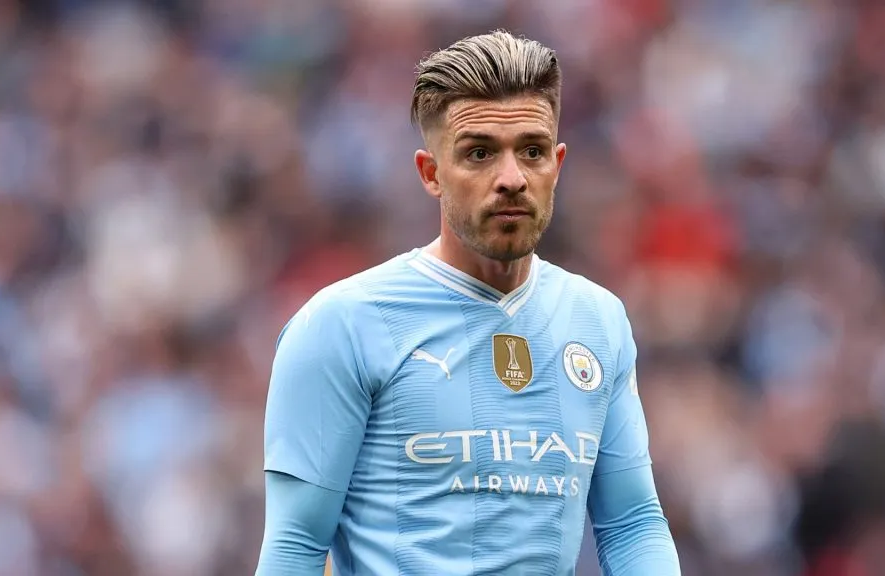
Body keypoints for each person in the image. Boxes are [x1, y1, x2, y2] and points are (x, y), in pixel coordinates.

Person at [255, 29, 680, 576]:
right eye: (479, 153)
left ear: (558, 162)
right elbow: (295, 545)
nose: (511, 179)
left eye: (531, 151)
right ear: (431, 174)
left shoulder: (598, 319)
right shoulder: (342, 323)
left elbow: (632, 522)